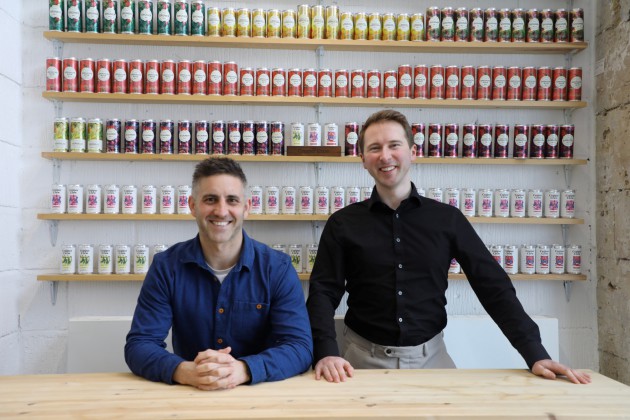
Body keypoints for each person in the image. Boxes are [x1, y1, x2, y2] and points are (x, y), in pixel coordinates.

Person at [306, 109, 590, 385]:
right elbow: (323, 293)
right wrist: (326, 352)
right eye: (374, 148)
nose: (385, 155)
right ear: (363, 160)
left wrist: (535, 353)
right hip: (359, 362)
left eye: (394, 145)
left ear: (412, 152)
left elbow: (493, 286)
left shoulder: (448, 219)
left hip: (433, 360)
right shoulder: (342, 223)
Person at [125, 157, 313, 391]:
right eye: (210, 199)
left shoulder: (277, 269)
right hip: (191, 392)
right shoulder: (166, 267)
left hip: (261, 394)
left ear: (246, 207)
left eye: (232, 200)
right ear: (192, 206)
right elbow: (140, 344)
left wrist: (244, 369)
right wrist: (183, 371)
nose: (221, 211)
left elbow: (299, 347)